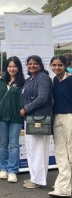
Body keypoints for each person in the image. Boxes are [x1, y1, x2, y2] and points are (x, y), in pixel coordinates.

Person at [0, 56, 25, 183]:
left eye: (14, 66)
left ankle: (12, 170)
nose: (12, 69)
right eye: (9, 66)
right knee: (3, 143)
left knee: (14, 144)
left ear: (18, 67)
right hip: (1, 116)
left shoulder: (23, 83)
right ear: (6, 68)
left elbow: (27, 99)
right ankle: (3, 168)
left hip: (16, 117)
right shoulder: (0, 81)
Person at [20, 55, 52, 189]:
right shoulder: (30, 79)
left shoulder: (43, 78)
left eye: (35, 64)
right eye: (29, 64)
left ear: (40, 65)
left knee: (37, 150)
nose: (32, 66)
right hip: (31, 118)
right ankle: (36, 178)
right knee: (33, 149)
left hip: (38, 118)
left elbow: (43, 97)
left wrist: (26, 108)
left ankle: (37, 181)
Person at [48, 56, 72, 197]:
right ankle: (64, 186)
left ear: (65, 66)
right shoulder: (53, 81)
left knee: (70, 152)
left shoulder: (70, 80)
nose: (57, 68)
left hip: (70, 117)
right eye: (54, 65)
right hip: (57, 118)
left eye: (60, 65)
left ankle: (66, 186)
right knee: (61, 153)